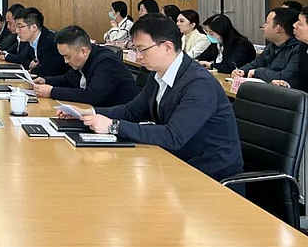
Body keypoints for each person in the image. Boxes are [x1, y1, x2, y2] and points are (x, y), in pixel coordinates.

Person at [60, 14, 243, 181]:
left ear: (167, 47)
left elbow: (173, 136)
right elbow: (132, 111)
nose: (138, 57)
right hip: (175, 161)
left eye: (142, 50)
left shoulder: (199, 84)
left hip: (209, 175)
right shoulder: (158, 74)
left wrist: (113, 126)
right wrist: (88, 113)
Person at [33, 25, 139, 106]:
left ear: (83, 51)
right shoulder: (84, 60)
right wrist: (45, 81)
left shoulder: (106, 62)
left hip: (119, 118)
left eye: (67, 56)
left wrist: (52, 92)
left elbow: (92, 96)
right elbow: (68, 79)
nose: (65, 61)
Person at [232, 7, 303, 89]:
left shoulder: (298, 49)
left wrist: (257, 72)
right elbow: (256, 63)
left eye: (266, 23)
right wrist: (241, 71)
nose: (263, 26)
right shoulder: (272, 46)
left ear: (277, 28)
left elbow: (286, 77)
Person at [0, 7, 66, 77]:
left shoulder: (49, 42)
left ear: (34, 27)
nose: (17, 31)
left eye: (20, 27)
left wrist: (33, 69)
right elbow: (25, 60)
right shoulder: (31, 41)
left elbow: (47, 71)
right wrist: (31, 64)